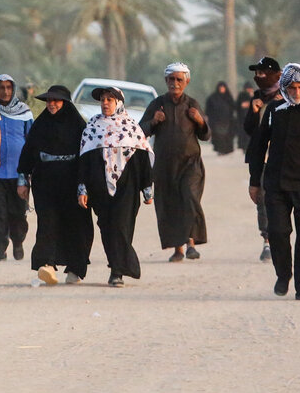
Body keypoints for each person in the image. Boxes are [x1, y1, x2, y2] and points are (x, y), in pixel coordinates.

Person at [248, 63, 300, 300]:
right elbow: (259, 147)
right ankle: (283, 275)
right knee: (277, 232)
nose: (296, 92)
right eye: (292, 87)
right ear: (284, 87)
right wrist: (255, 181)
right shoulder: (275, 111)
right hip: (275, 184)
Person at [17, 85, 93, 285]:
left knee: (75, 225)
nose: (51, 104)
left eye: (56, 101)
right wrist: (23, 180)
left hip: (72, 182)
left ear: (65, 103)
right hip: (45, 182)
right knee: (47, 223)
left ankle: (75, 269)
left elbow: (86, 158)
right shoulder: (41, 125)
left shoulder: (78, 127)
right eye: (49, 101)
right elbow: (28, 152)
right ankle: (47, 265)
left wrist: (84, 186)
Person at [78, 87, 153, 288]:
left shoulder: (131, 127)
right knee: (106, 226)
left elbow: (143, 159)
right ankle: (116, 264)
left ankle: (118, 270)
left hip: (127, 186)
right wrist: (83, 189)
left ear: (118, 102)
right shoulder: (92, 127)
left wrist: (147, 188)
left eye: (110, 99)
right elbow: (84, 160)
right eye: (103, 99)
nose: (105, 103)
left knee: (121, 225)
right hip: (99, 187)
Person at [141, 63, 209, 262]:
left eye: (179, 79)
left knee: (189, 198)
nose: (175, 83)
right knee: (170, 205)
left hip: (190, 163)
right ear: (166, 81)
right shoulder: (157, 104)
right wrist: (154, 121)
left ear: (187, 81)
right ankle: (178, 249)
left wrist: (200, 121)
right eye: (171, 79)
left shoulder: (192, 104)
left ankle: (191, 244)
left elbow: (206, 135)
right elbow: (140, 131)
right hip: (165, 165)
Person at [243, 56, 283, 262]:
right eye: (256, 74)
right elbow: (249, 130)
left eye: (262, 73)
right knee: (263, 201)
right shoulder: (257, 97)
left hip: (285, 159)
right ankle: (267, 241)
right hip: (261, 158)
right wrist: (254, 110)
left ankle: (283, 239)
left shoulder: (288, 96)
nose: (259, 77)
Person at [0, 74, 32, 262]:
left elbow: (32, 141)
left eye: (8, 87)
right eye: (1, 88)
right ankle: (0, 249)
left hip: (19, 171)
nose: (5, 91)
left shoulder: (24, 111)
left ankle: (18, 242)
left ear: (13, 89)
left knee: (18, 211)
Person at [204, 81, 238, 155]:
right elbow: (208, 109)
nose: (222, 89)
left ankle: (226, 150)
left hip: (227, 121)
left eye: (223, 88)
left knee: (227, 135)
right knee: (219, 135)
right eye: (221, 88)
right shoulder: (213, 98)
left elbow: (233, 107)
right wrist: (207, 116)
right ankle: (220, 150)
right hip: (216, 121)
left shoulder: (228, 97)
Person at [235, 82, 255, 153]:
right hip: (242, 119)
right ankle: (244, 148)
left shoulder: (254, 95)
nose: (249, 90)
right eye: (248, 89)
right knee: (244, 134)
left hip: (253, 118)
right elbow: (237, 106)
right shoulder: (241, 95)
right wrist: (242, 105)